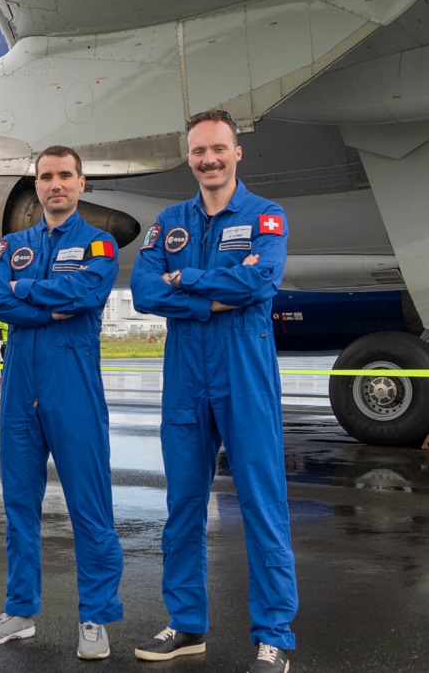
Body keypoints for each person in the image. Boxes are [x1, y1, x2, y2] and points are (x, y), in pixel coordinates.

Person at [129, 109, 296, 673]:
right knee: (182, 504)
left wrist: (188, 278)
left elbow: (261, 281)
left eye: (218, 149)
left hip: (243, 369)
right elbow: (146, 291)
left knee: (261, 502)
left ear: (237, 152)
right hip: (184, 375)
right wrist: (210, 293)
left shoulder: (266, 216)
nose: (209, 160)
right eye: (199, 151)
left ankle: (273, 635)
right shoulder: (170, 222)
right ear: (189, 156)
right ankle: (187, 624)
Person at [0, 145, 123, 660]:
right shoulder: (8, 247)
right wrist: (48, 300)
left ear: (81, 183)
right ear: (36, 186)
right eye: (45, 176)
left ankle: (96, 618)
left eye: (65, 175)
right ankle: (20, 611)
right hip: (20, 391)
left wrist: (26, 293)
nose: (55, 184)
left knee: (90, 507)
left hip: (73, 387)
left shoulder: (100, 245)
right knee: (18, 506)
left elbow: (87, 296)